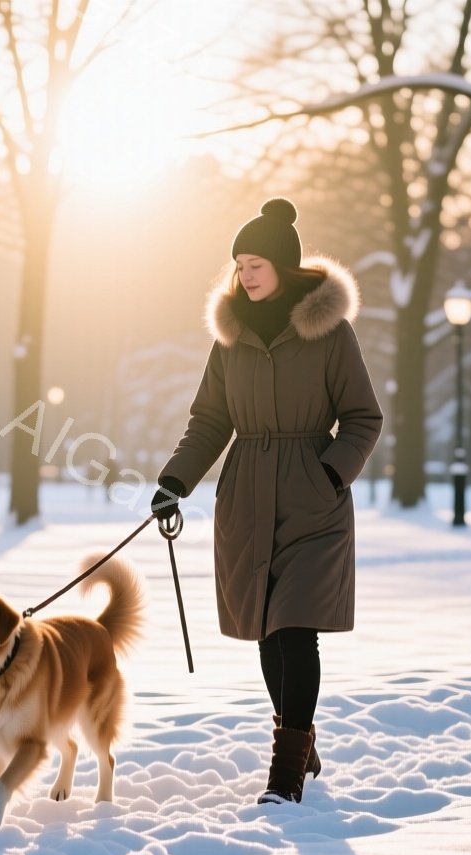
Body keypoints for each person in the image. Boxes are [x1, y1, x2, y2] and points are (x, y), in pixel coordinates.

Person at [153, 198, 383, 805]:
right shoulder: (230, 338)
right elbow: (210, 421)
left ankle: (285, 775)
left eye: (255, 264)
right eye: (239, 266)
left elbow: (364, 417)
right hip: (247, 498)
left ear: (283, 265)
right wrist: (175, 482)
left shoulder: (330, 333)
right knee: (265, 630)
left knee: (295, 626)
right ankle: (299, 739)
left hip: (312, 501)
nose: (246, 275)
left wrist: (329, 474)